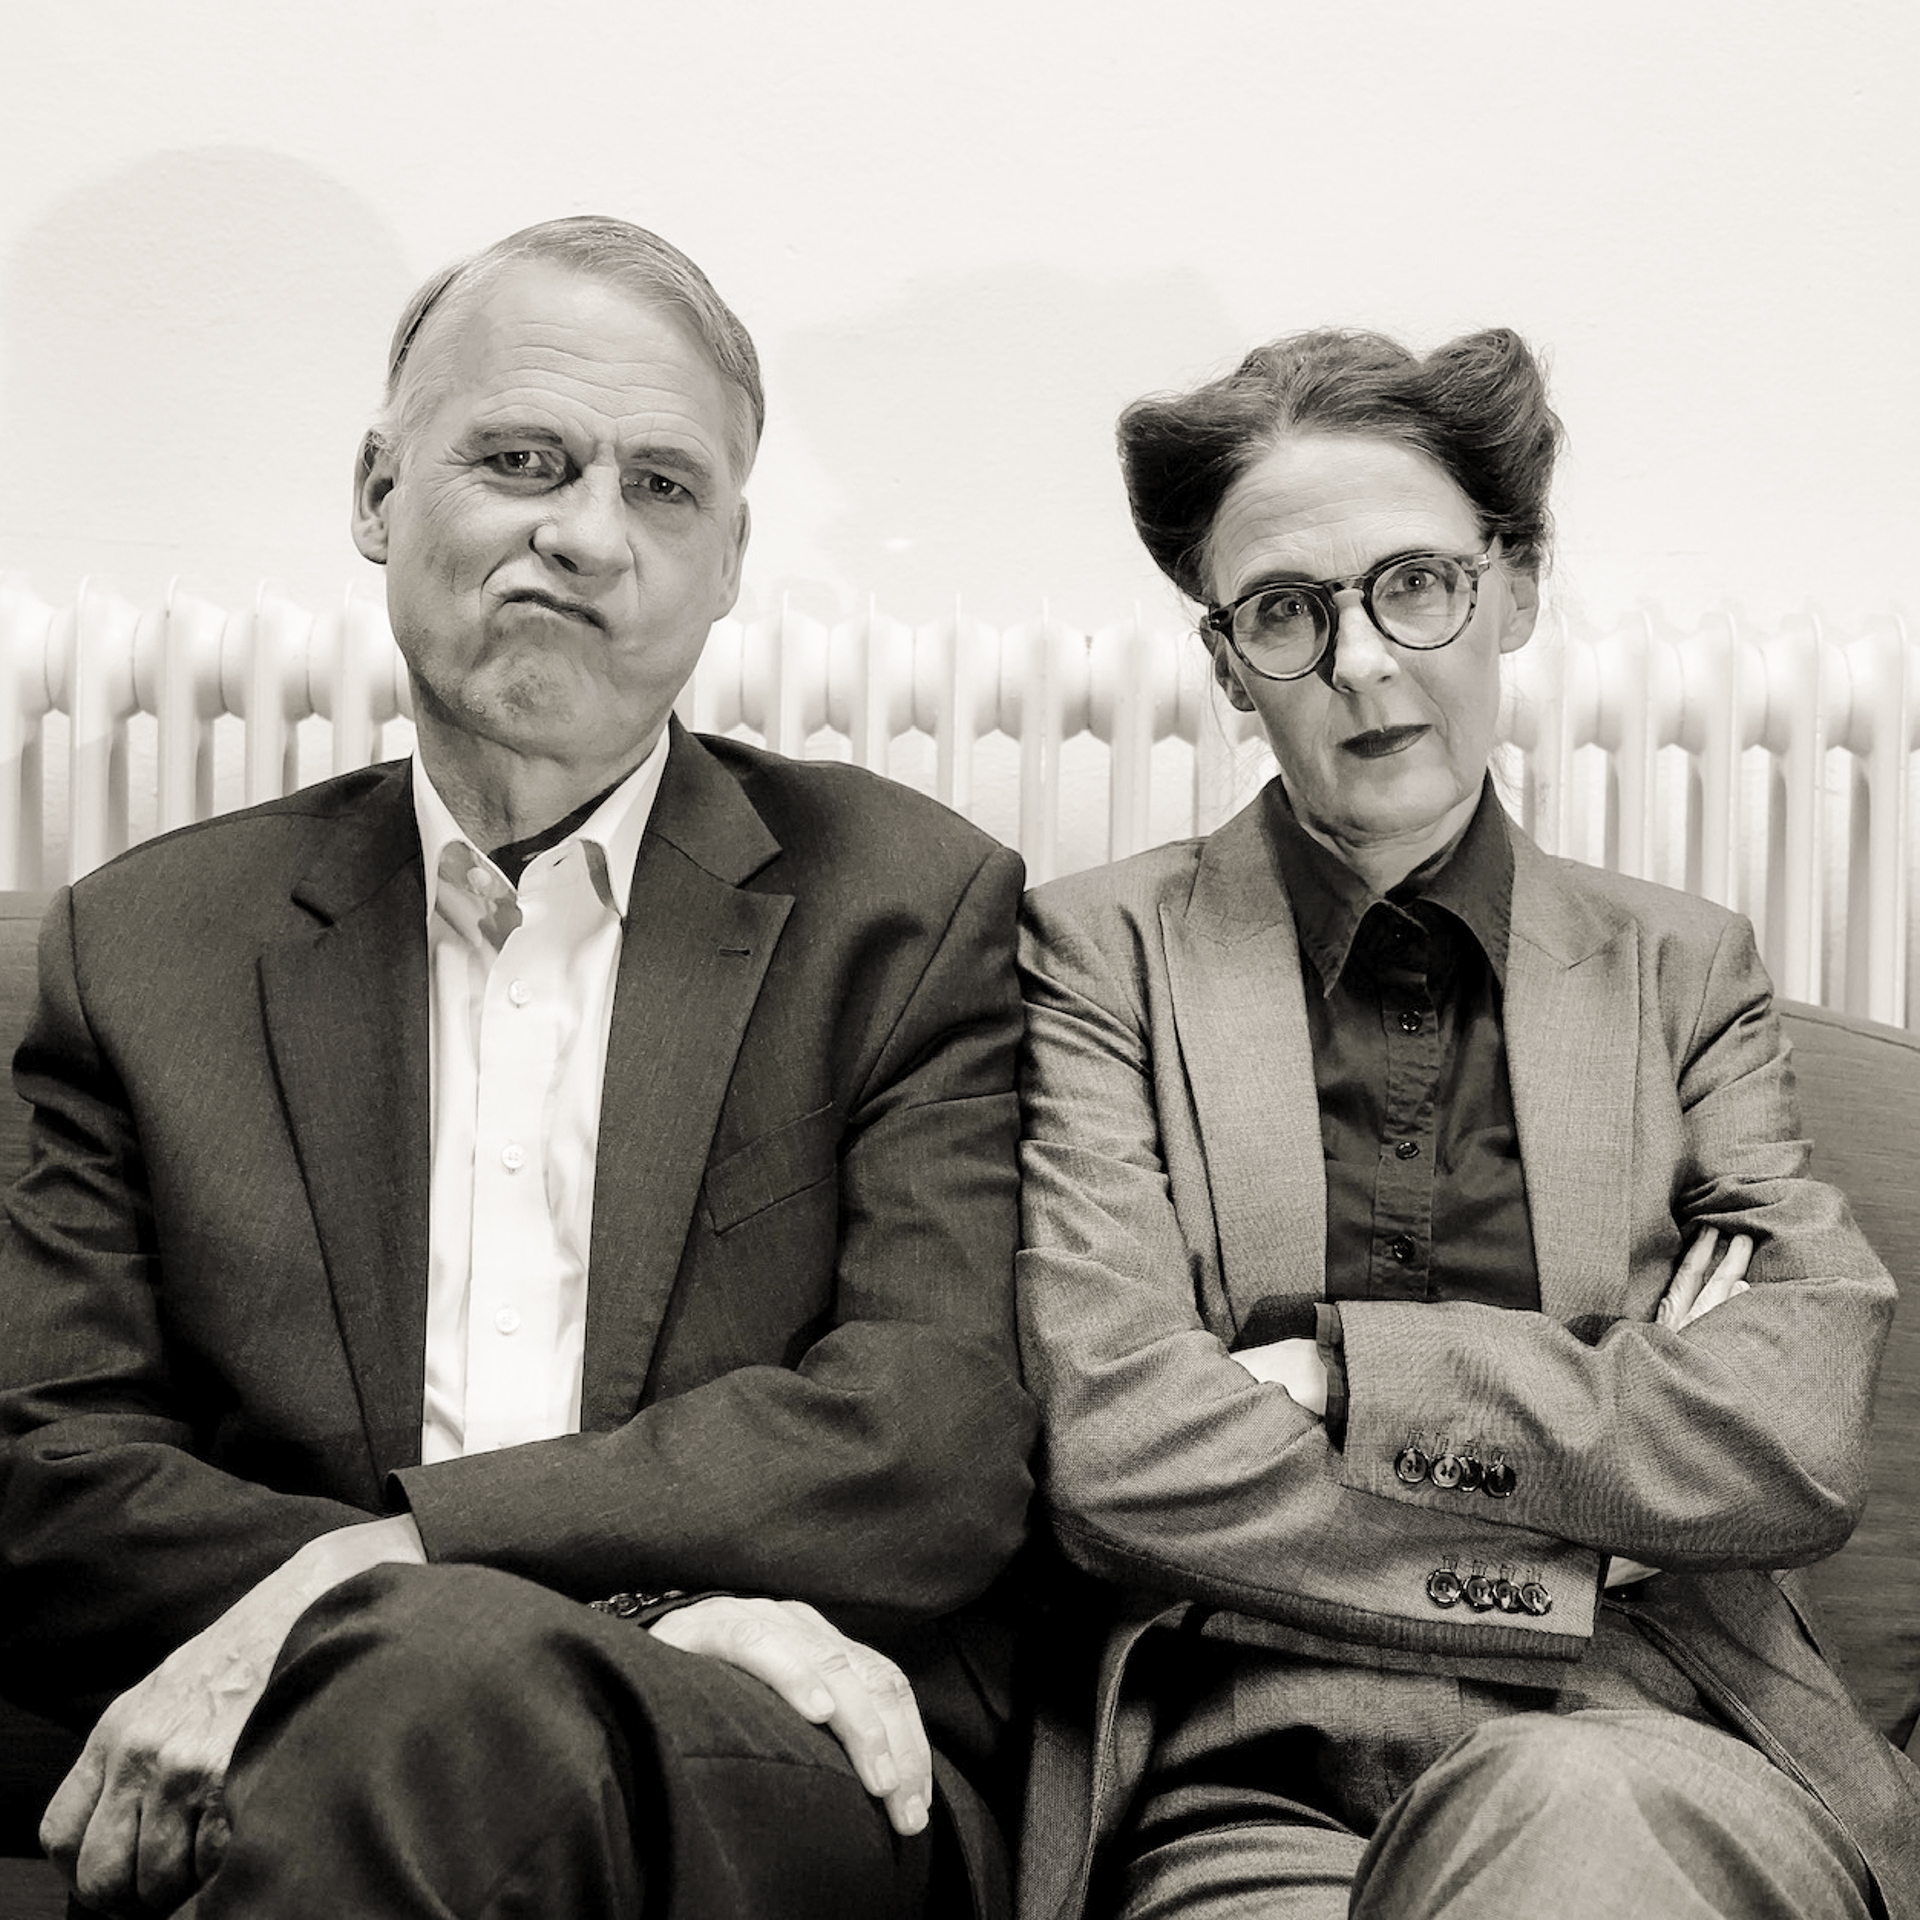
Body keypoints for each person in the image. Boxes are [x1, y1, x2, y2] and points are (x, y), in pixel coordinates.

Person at [0, 215, 1035, 1919]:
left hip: (772, 1750)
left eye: (663, 489)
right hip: (322, 1739)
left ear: (728, 561)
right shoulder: (147, 947)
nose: (589, 534)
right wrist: (544, 1603)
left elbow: (925, 1444)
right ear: (376, 493)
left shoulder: (904, 911)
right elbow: (52, 1475)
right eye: (524, 460)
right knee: (438, 1696)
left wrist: (388, 1557)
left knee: (450, 1688)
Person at [1014, 327, 1920, 1919]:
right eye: (1286, 612)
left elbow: (1788, 1436)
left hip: (1657, 1747)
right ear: (1226, 663)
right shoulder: (1098, 957)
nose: (1362, 662)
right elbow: (1118, 1449)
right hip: (1255, 1781)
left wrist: (1331, 1376)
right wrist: (1595, 1511)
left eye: (1415, 584)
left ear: (1515, 588)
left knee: (1562, 1815)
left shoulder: (1683, 971)